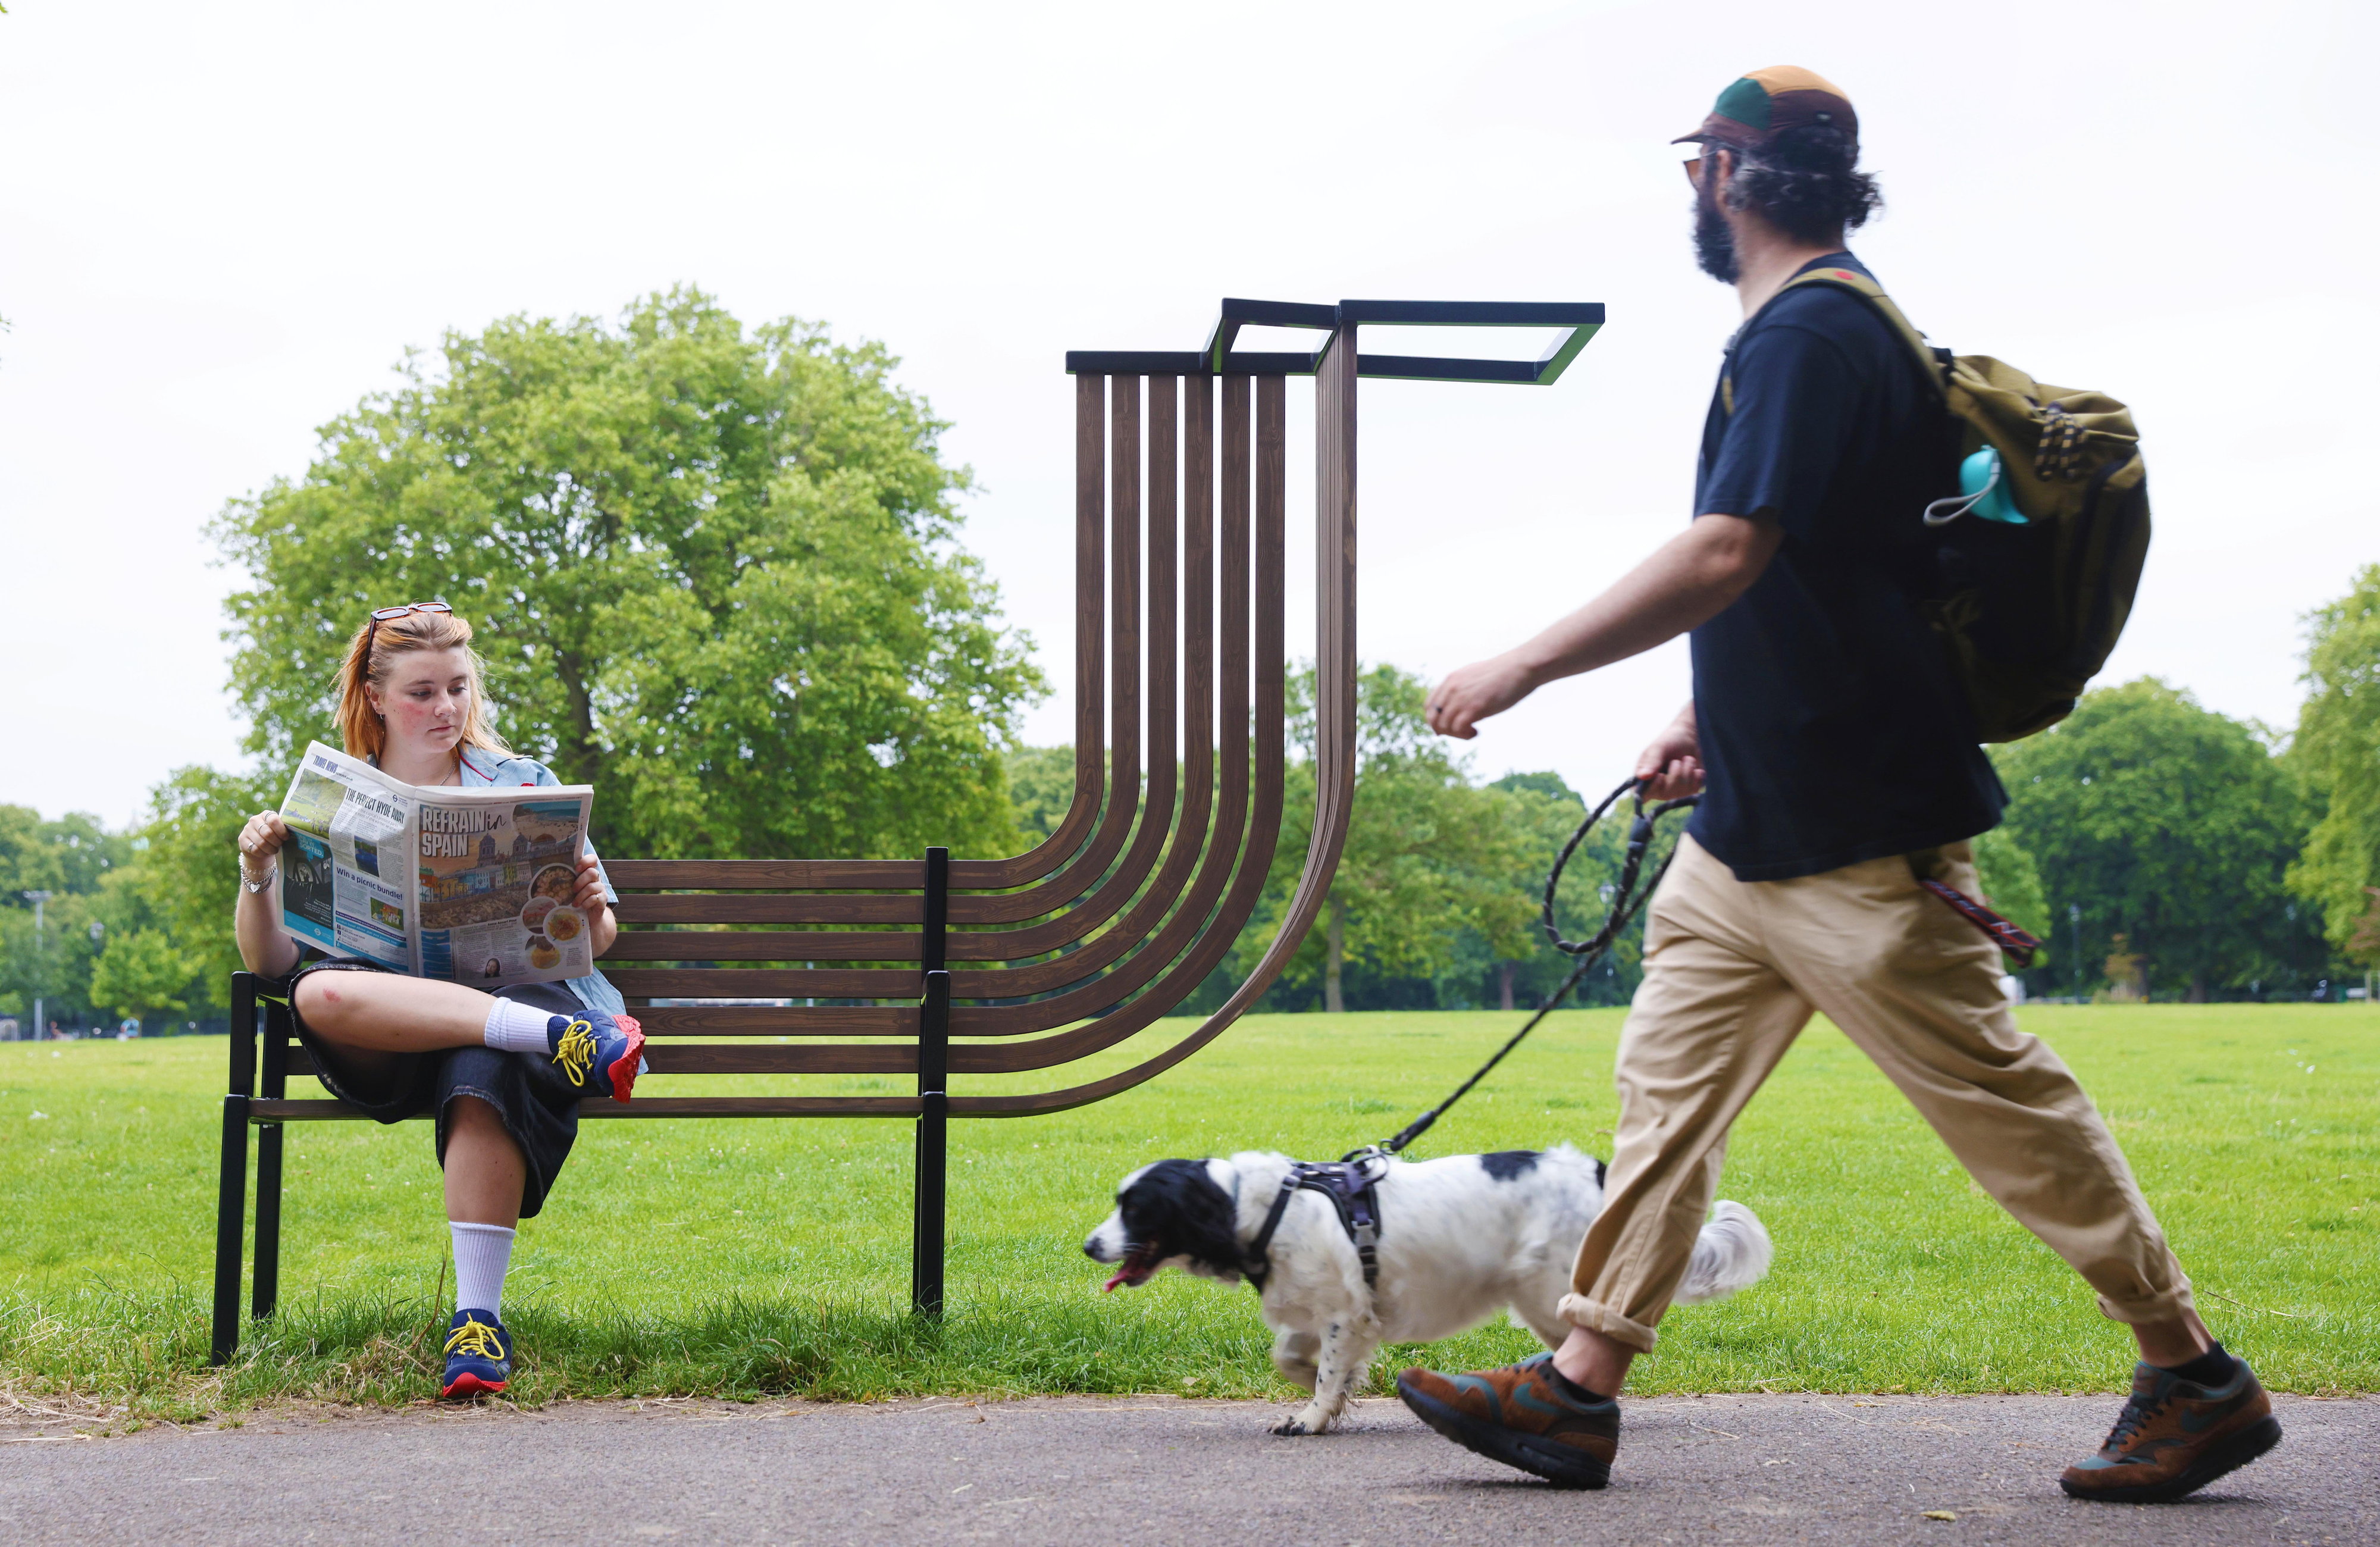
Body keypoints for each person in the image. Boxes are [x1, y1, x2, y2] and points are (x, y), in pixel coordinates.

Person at [1393, 67, 2279, 1504]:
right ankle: (1576, 1385)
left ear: (1724, 174)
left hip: (1862, 827)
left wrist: (1522, 666)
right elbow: (1827, 567)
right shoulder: (1835, 331)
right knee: (1662, 1106)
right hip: (1749, 827)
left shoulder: (1809, 332)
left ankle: (2191, 1372)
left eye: (1698, 165)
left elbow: (1728, 549)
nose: (1692, 188)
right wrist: (1695, 709)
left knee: (2002, 1107)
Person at [233, 602, 644, 1401]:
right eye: (423, 691)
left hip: (493, 1031)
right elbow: (272, 962)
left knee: (479, 1060)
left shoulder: (525, 786)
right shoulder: (331, 798)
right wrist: (257, 874)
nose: (446, 708)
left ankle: (476, 1329)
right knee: (318, 991)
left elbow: (598, 942)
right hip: (387, 1040)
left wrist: (590, 905)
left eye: (458, 687)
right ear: (377, 696)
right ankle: (558, 1035)